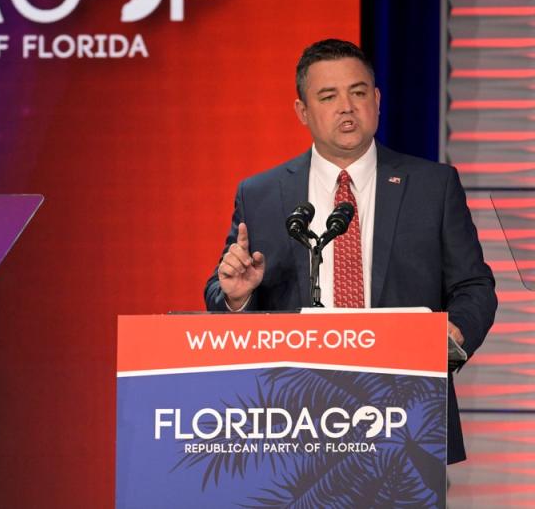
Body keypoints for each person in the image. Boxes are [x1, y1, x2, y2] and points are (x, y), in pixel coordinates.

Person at [204, 38, 497, 464]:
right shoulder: (261, 194)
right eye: (328, 96)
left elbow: (474, 286)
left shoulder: (433, 186)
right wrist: (238, 296)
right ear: (303, 112)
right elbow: (222, 290)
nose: (347, 106)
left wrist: (453, 333)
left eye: (358, 92)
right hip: (293, 420)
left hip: (406, 411)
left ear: (376, 100)